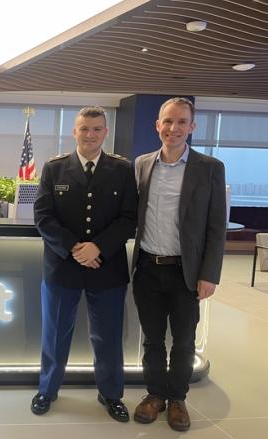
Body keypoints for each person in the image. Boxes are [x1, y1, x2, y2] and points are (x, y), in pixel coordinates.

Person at [31, 106, 137, 422]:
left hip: (107, 266)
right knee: (55, 334)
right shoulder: (55, 168)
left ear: (105, 132)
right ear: (74, 131)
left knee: (107, 335)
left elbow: (129, 217)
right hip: (63, 266)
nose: (90, 135)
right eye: (84, 129)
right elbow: (43, 217)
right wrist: (74, 248)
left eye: (96, 129)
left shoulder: (121, 169)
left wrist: (97, 247)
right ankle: (47, 390)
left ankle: (111, 394)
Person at [132, 97, 226, 432]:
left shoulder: (210, 167)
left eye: (181, 122)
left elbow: (217, 227)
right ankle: (155, 394)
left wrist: (209, 274)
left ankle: (178, 399)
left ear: (192, 127)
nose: (174, 129)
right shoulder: (142, 163)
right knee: (152, 340)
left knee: (184, 341)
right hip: (147, 267)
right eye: (168, 122)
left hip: (185, 272)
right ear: (157, 125)